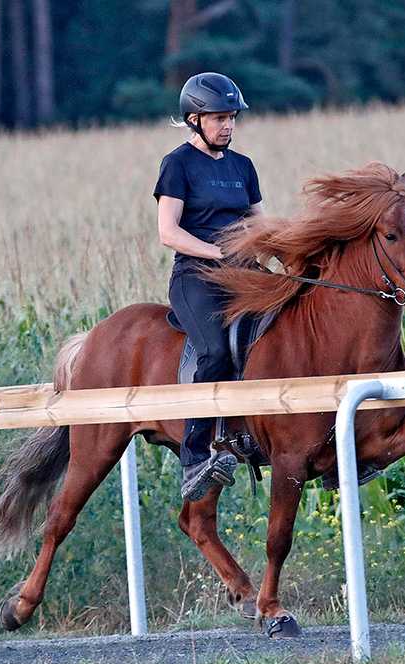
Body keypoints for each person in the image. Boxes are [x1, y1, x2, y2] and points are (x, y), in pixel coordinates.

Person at [154, 72, 265, 502]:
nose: (228, 126)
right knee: (216, 351)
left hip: (245, 274)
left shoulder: (243, 167)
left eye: (232, 118)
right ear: (194, 119)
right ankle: (195, 457)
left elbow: (258, 224)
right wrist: (219, 254)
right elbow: (168, 232)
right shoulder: (177, 164)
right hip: (196, 277)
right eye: (219, 118)